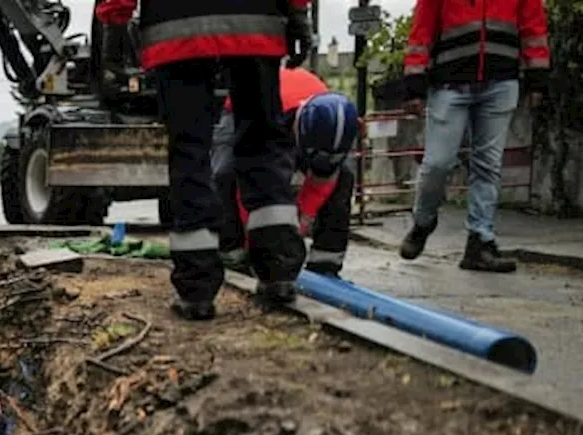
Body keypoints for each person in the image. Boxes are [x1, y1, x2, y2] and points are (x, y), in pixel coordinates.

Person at [95, 0, 313, 320]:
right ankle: (278, 269)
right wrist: (297, 12)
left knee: (189, 152)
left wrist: (114, 26)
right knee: (263, 139)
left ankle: (197, 289)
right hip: (255, 21)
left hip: (176, 30)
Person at [397, 0, 551, 273]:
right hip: (449, 84)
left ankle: (481, 240)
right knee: (437, 164)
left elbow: (533, 27)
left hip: (501, 82)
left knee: (488, 165)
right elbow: (422, 31)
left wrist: (537, 76)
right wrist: (414, 84)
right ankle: (423, 221)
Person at [214, 68, 360, 277]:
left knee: (344, 177)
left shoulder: (337, 127)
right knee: (225, 174)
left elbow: (323, 181)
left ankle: (325, 262)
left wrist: (298, 228)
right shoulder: (264, 122)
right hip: (244, 110)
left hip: (294, 107)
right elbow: (247, 183)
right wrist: (255, 244)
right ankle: (232, 253)